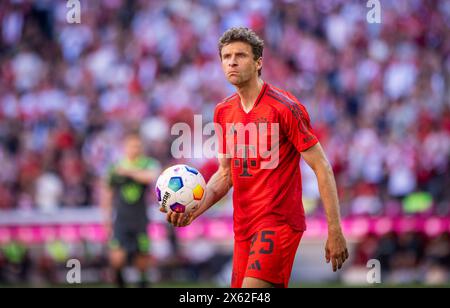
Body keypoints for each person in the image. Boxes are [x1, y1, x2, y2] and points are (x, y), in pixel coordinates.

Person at [166, 27, 348, 288]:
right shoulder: (223, 111)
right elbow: (226, 174)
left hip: (278, 222)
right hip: (243, 227)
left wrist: (335, 230)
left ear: (258, 62)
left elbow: (322, 168)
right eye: (226, 56)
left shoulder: (285, 108)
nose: (232, 62)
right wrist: (194, 210)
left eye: (240, 55)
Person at [100, 131, 161, 288]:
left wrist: (128, 172)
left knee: (142, 262)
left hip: (140, 220)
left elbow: (151, 177)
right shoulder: (114, 167)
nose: (135, 149)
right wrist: (106, 219)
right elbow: (107, 194)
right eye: (132, 146)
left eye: (138, 146)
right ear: (124, 147)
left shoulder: (147, 164)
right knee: (117, 259)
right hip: (121, 220)